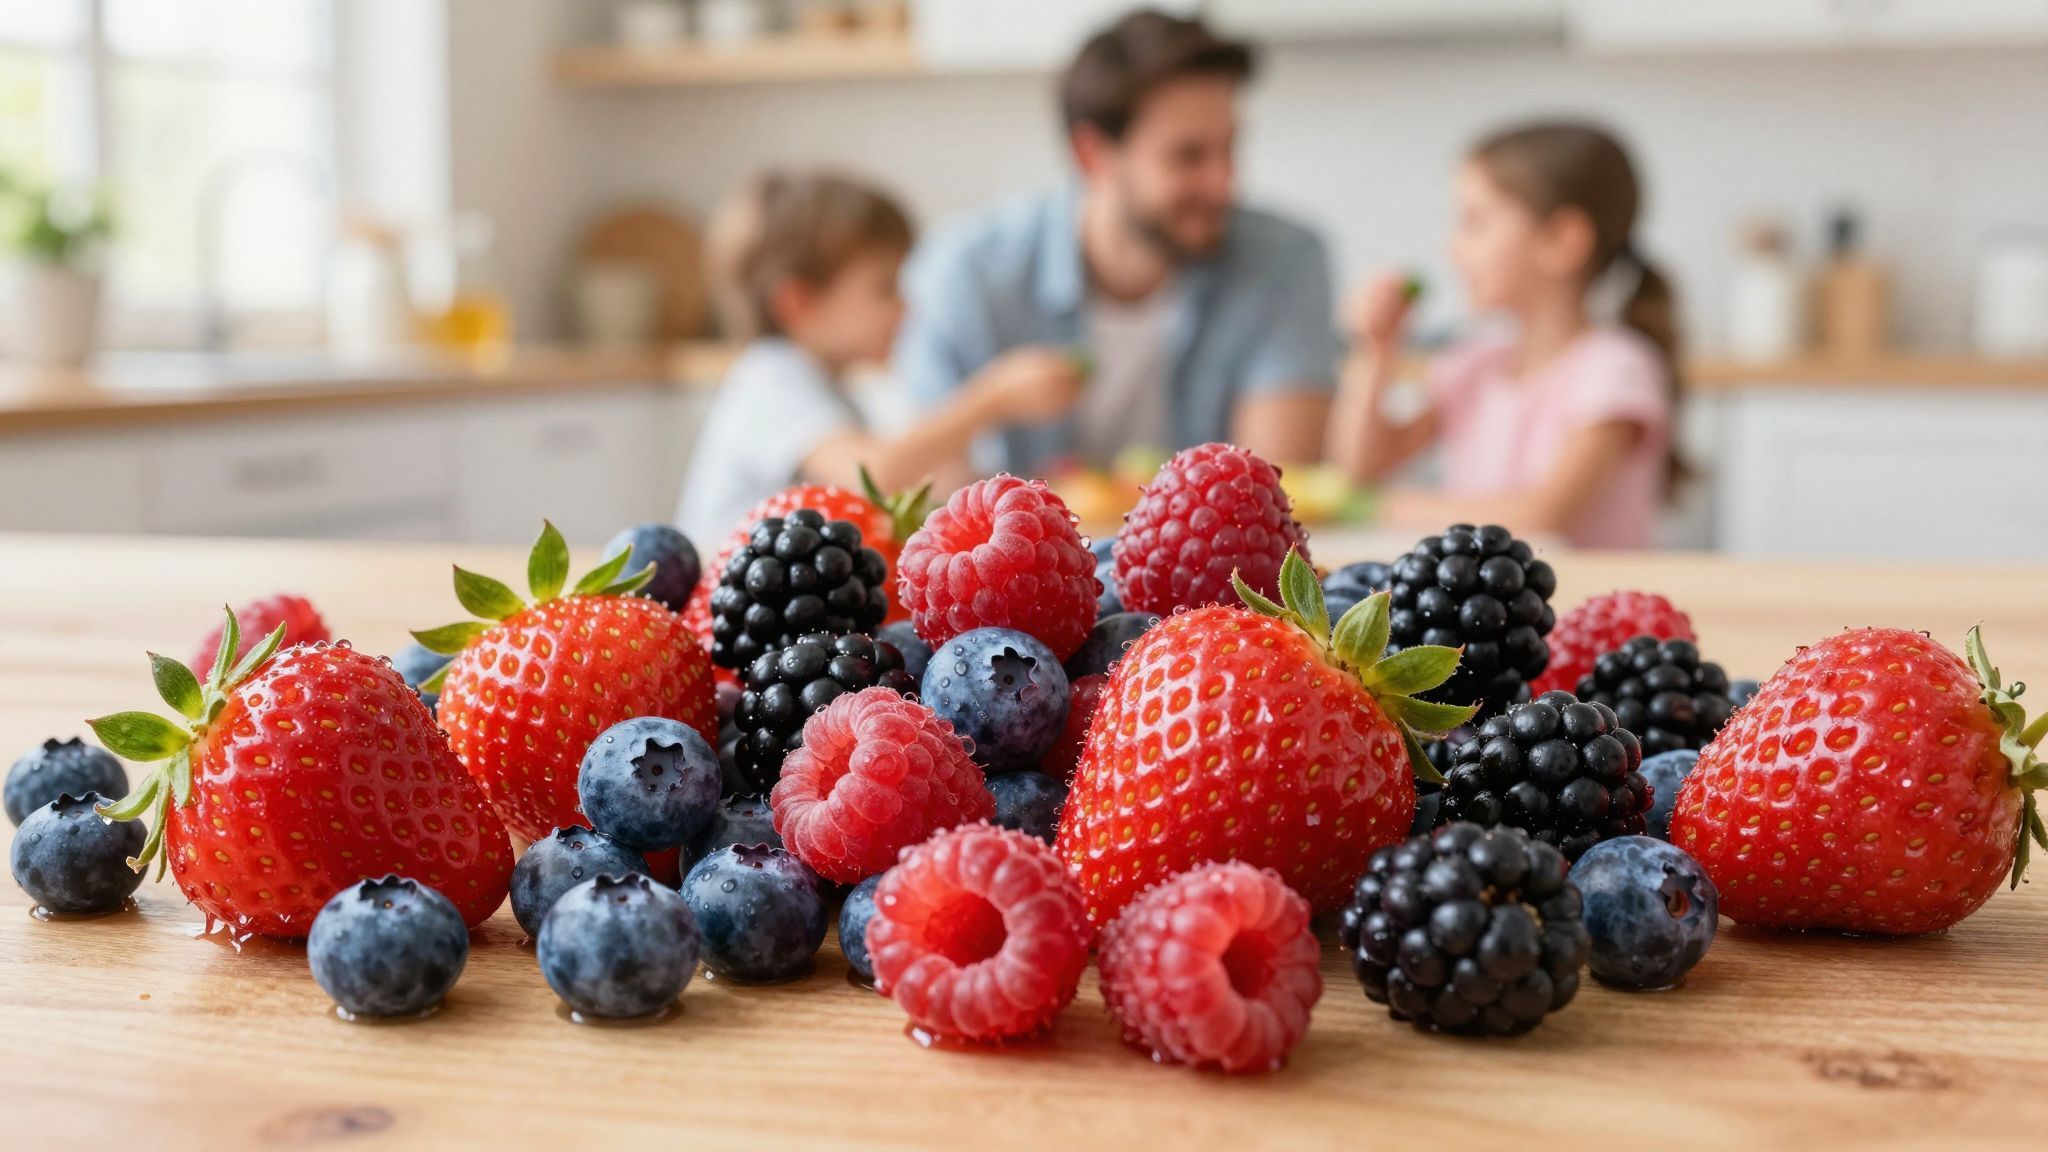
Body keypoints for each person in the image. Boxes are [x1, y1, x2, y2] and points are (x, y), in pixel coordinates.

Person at [896, 9, 1337, 474]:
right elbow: (934, 493)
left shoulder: (1285, 260)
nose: (1224, 183)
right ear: (1094, 154)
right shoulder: (968, 270)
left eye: (1229, 148)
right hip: (1028, 548)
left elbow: (1275, 485)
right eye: (1188, 156)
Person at [1329, 121, 1683, 549]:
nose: (1452, 248)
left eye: (1475, 222)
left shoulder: (1614, 369)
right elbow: (1360, 468)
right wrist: (1378, 351)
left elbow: (1543, 516)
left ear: (1560, 240)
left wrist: (1377, 507)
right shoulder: (1475, 362)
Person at [677, 172, 1077, 545]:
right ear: (799, 303)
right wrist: (995, 397)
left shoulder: (838, 391)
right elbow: (874, 473)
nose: (906, 306)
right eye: (885, 287)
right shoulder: (770, 377)